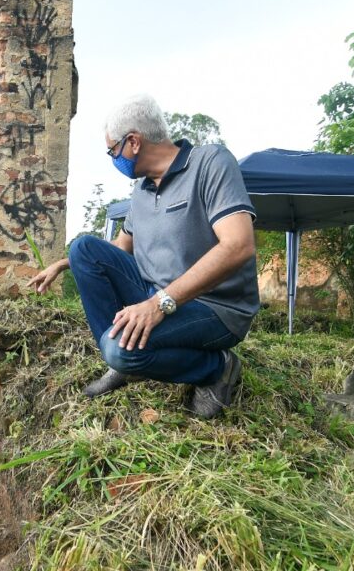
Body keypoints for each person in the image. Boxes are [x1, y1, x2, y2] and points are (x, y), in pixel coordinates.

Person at [28, 94, 259, 418]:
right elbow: (117, 253)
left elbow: (238, 246)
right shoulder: (141, 190)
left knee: (121, 350)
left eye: (112, 150)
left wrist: (159, 303)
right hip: (159, 296)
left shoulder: (210, 163)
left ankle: (217, 368)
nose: (113, 158)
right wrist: (67, 264)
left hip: (216, 308)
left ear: (133, 142)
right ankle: (119, 356)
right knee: (84, 248)